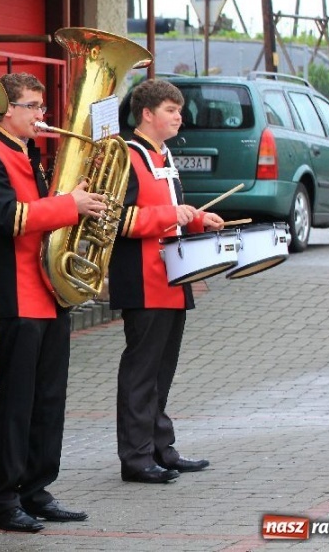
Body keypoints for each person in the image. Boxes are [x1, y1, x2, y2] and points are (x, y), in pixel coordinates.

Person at [0, 72, 100, 533]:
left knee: (49, 399)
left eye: (41, 107)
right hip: (19, 292)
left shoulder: (29, 151)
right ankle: (4, 500)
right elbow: (7, 217)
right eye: (32, 106)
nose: (41, 116)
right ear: (7, 109)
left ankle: (37, 488)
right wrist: (70, 205)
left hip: (50, 290)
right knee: (17, 402)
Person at [108, 78, 223, 483]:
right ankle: (136, 457)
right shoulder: (126, 156)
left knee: (162, 372)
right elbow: (115, 220)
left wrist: (197, 220)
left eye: (179, 110)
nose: (179, 117)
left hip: (174, 277)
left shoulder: (164, 154)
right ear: (146, 114)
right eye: (171, 110)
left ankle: (161, 447)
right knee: (141, 372)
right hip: (142, 278)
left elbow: (171, 211)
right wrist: (170, 216)